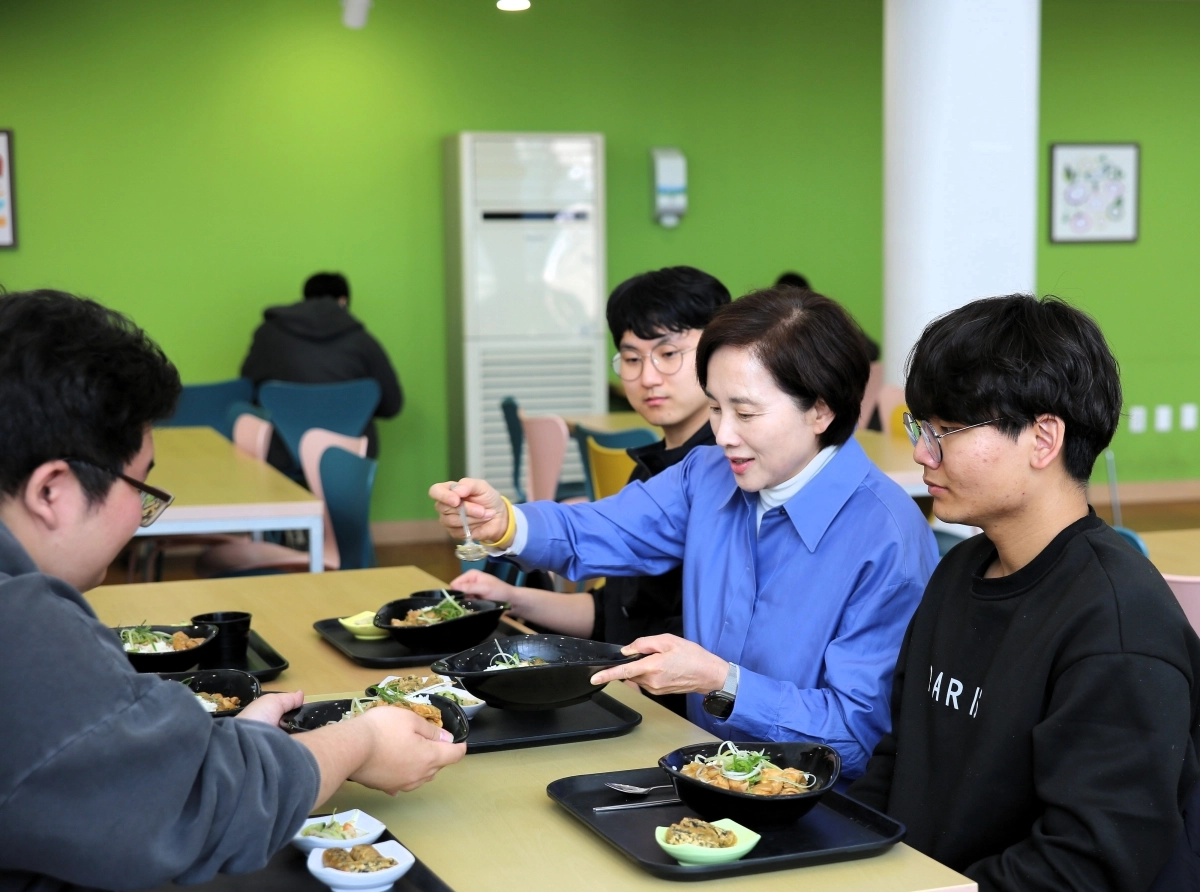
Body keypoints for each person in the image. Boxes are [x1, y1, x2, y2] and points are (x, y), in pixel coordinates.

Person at [0, 290, 464, 889]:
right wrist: (362, 739)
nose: (144, 517)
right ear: (51, 491)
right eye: (140, 488)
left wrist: (234, 745)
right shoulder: (21, 627)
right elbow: (195, 806)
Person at [431, 287, 938, 778]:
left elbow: (858, 736)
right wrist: (506, 522)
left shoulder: (886, 538)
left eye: (745, 412)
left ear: (821, 410)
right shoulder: (707, 473)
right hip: (697, 774)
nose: (723, 435)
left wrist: (722, 684)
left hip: (813, 805)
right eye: (716, 408)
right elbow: (604, 528)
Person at [846, 295, 1200, 890]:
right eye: (920, 426)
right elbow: (901, 759)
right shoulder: (960, 571)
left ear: (1043, 438)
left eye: (945, 430)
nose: (920, 452)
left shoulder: (1117, 625)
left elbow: (1088, 864)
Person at [452, 266, 730, 669]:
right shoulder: (651, 471)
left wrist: (511, 525)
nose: (648, 376)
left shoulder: (726, 473)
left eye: (668, 354)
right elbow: (613, 615)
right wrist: (510, 597)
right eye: (632, 358)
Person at [240, 272, 403, 467]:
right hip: (348, 457)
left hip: (280, 454)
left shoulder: (267, 334)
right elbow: (392, 405)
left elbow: (247, 391)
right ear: (343, 301)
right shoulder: (362, 340)